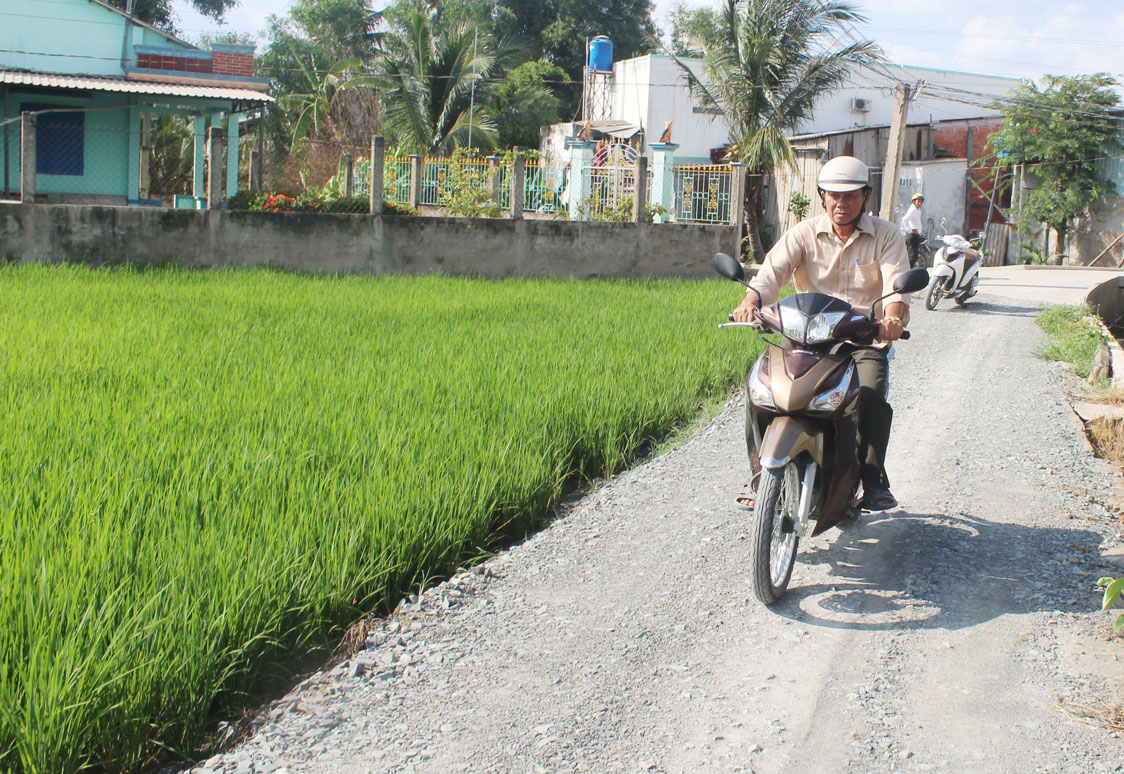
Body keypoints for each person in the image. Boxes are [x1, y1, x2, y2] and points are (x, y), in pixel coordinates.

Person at [731, 155, 910, 512]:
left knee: (871, 393)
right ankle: (761, 473)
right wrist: (751, 300)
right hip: (805, 336)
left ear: (866, 197)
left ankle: (872, 479)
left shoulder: (886, 236)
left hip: (860, 338)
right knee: (762, 390)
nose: (841, 204)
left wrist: (892, 318)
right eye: (833, 196)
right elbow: (772, 272)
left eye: (851, 196)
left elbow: (896, 287)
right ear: (822, 196)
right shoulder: (803, 233)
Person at [901, 192, 925, 267]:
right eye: (919, 201)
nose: (920, 203)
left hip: (915, 235)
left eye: (921, 201)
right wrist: (910, 230)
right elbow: (904, 219)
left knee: (914, 256)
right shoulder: (913, 210)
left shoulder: (917, 209)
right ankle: (907, 271)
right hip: (912, 236)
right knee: (912, 257)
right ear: (914, 201)